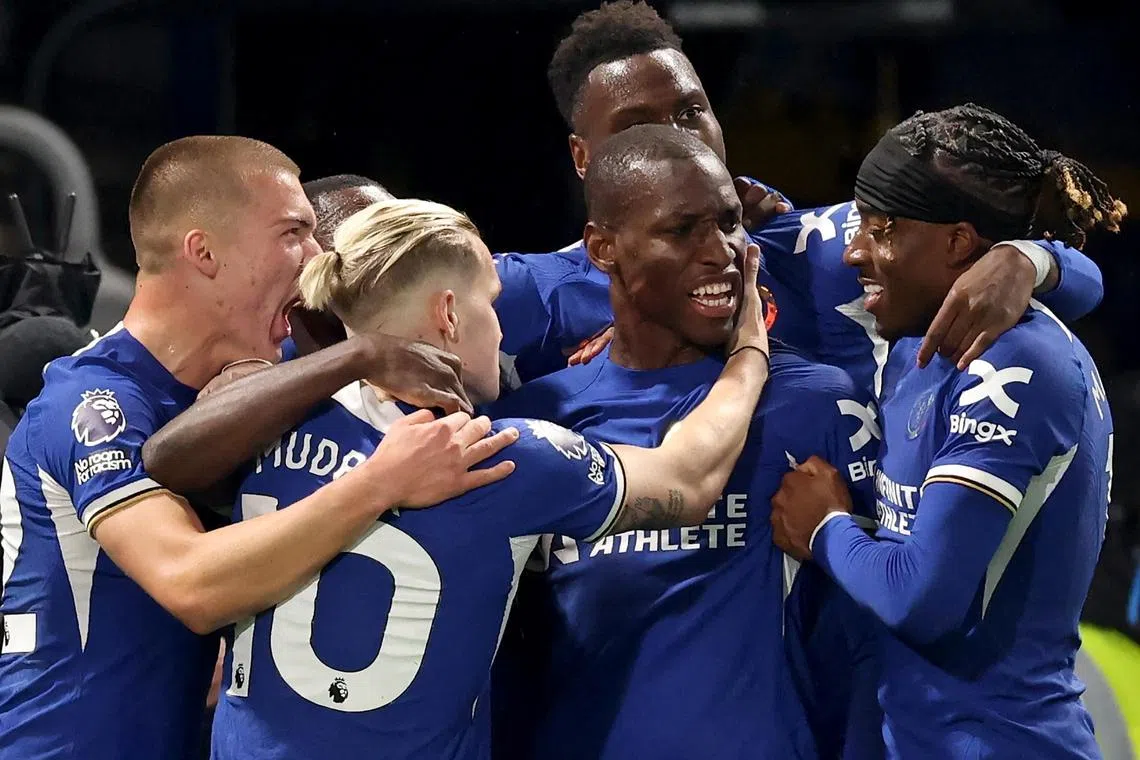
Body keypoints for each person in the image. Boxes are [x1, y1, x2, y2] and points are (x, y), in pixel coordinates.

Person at [183, 196, 775, 758]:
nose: (498, 329)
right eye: (489, 304)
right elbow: (690, 481)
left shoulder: (267, 423)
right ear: (447, 313)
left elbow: (174, 459)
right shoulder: (502, 458)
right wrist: (749, 352)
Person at [0, 136, 515, 760]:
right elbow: (191, 583)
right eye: (292, 231)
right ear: (205, 251)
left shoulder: (240, 398)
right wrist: (382, 479)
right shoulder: (90, 404)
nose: (315, 253)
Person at [484, 124, 876, 760]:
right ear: (603, 249)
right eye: (682, 230)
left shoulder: (817, 403)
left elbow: (875, 634)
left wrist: (1039, 260)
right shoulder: (539, 418)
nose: (719, 250)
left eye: (727, 224)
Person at [494, 0, 1104, 397]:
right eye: (636, 126)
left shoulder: (817, 244)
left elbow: (1085, 283)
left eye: (691, 112)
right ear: (582, 157)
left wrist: (1027, 261)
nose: (676, 140)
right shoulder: (533, 291)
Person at [770, 104, 1127, 759]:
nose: (853, 252)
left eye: (879, 231)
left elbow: (919, 600)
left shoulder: (1016, 364)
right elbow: (1084, 279)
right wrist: (1032, 259)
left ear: (958, 242)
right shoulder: (920, 341)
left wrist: (825, 528)